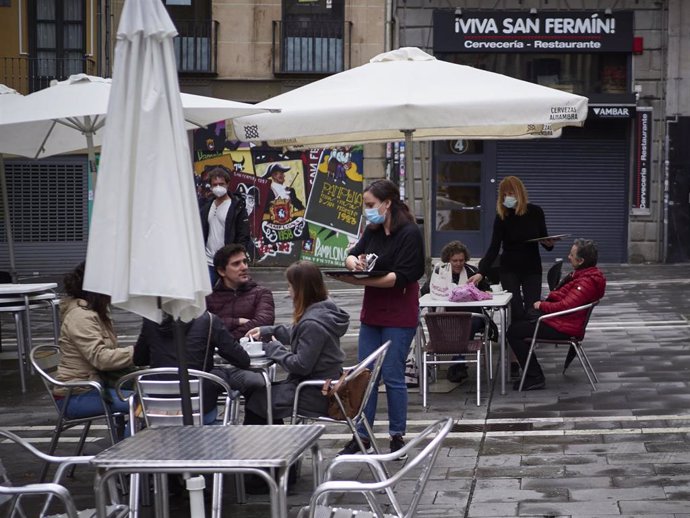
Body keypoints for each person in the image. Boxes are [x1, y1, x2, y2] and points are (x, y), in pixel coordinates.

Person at [334, 179, 424, 457]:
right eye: (366, 205)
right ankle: (361, 435)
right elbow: (351, 254)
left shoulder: (409, 233)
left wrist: (360, 282)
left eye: (371, 205)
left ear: (387, 203)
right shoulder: (372, 231)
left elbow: (402, 277)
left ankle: (397, 435)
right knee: (363, 374)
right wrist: (354, 265)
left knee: (393, 375)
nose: (367, 210)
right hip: (372, 313)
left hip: (399, 313)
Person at [243, 260, 348, 424]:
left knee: (258, 400)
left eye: (290, 286)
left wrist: (274, 348)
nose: (288, 290)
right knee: (259, 395)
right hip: (321, 386)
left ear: (301, 290)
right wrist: (268, 330)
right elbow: (299, 332)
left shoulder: (313, 323)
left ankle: (269, 447)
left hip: (315, 392)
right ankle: (277, 445)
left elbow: (301, 365)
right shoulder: (324, 310)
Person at [507, 239, 606, 390]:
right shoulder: (585, 276)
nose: (568, 257)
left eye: (572, 255)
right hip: (564, 322)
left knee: (514, 332)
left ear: (581, 261)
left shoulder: (586, 282)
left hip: (564, 327)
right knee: (521, 324)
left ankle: (535, 376)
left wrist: (542, 305)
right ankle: (531, 372)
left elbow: (566, 306)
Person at [133, 311, 253, 424]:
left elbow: (139, 359)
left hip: (157, 411)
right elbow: (242, 360)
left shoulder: (151, 320)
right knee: (220, 376)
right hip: (200, 410)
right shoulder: (209, 320)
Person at [54, 262, 133, 430]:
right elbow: (101, 359)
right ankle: (128, 449)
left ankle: (125, 438)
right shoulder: (81, 317)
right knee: (141, 402)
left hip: (96, 387)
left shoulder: (96, 311)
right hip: (76, 396)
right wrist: (137, 351)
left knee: (147, 392)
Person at [469, 176, 554, 322]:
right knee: (515, 310)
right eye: (504, 194)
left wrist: (549, 244)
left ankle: (529, 340)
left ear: (519, 193)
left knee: (532, 309)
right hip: (509, 268)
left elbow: (544, 239)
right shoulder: (502, 217)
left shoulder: (536, 212)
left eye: (511, 193)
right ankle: (515, 340)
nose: (508, 197)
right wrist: (481, 272)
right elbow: (494, 248)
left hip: (532, 267)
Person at [421, 240, 490, 383]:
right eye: (455, 261)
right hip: (445, 317)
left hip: (469, 317)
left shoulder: (473, 272)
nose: (458, 264)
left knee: (469, 322)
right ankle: (457, 364)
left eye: (461, 260)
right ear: (448, 260)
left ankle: (458, 363)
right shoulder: (439, 272)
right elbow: (425, 291)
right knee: (463, 322)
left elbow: (487, 291)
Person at [206, 244, 275, 340]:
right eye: (236, 264)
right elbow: (206, 326)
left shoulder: (262, 293)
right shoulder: (210, 298)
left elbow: (263, 323)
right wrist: (237, 321)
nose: (244, 267)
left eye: (245, 262)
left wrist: (227, 340)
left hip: (256, 351)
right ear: (222, 271)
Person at [199, 167, 251, 285]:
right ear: (211, 187)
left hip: (228, 262)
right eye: (215, 184)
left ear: (228, 184)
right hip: (208, 261)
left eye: (221, 184)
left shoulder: (237, 207)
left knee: (231, 295)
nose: (218, 187)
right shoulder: (206, 206)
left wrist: (236, 257)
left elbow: (243, 234)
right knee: (208, 296)